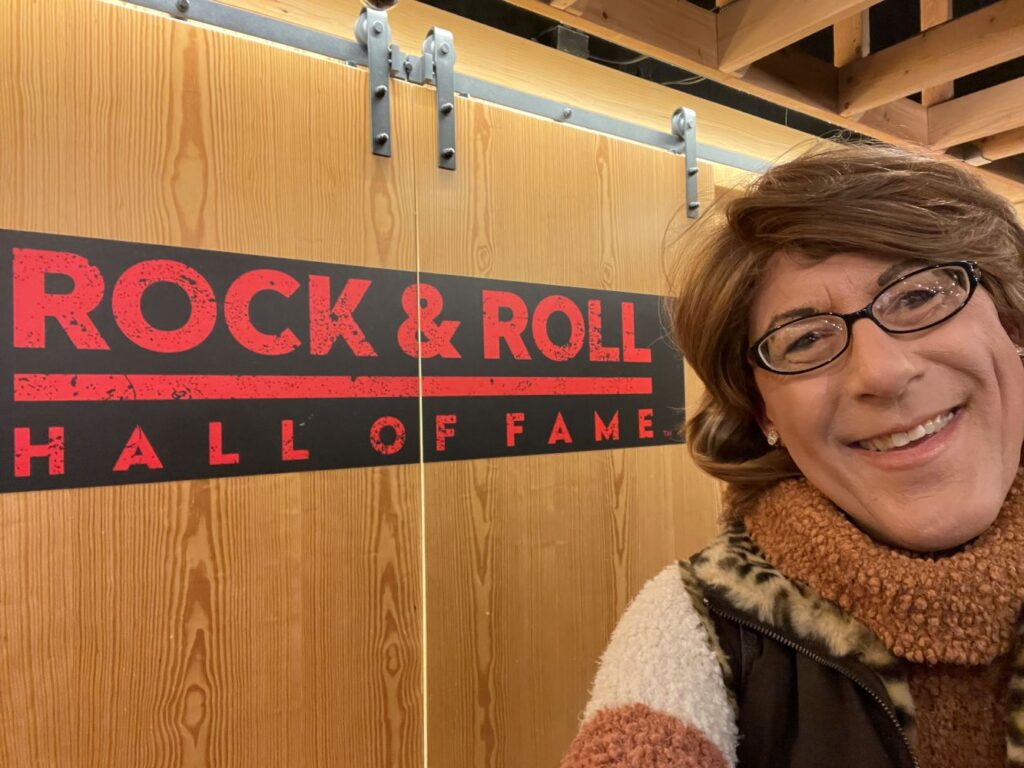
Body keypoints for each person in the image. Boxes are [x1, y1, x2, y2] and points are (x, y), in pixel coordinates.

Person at [560, 141, 1024, 768]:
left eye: (917, 297)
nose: (882, 373)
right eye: (804, 340)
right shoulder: (697, 629)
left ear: (1010, 323)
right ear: (764, 413)